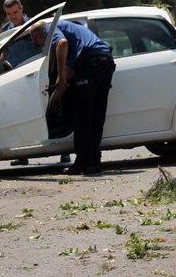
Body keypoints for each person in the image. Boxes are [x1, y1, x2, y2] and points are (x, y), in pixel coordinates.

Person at [30, 20, 116, 175]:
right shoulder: (67, 29)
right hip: (105, 61)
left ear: (39, 34)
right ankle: (93, 163)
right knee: (96, 117)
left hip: (91, 62)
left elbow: (62, 44)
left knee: (82, 117)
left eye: (35, 39)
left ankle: (83, 163)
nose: (37, 43)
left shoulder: (50, 28)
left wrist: (61, 78)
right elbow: (72, 60)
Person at [0, 0, 71, 165]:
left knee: (52, 112)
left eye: (15, 12)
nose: (13, 16)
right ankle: (23, 155)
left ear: (22, 9)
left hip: (38, 75)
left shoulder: (35, 26)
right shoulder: (5, 29)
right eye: (9, 14)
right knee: (21, 116)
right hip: (17, 78)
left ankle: (64, 152)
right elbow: (4, 52)